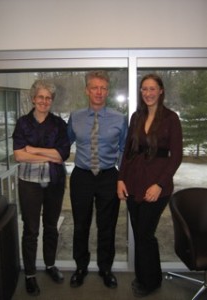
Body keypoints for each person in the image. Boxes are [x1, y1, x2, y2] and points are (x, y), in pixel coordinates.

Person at [117, 73, 183, 297]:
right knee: (140, 233)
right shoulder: (136, 116)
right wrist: (120, 179)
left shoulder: (171, 118)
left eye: (152, 88)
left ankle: (151, 281)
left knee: (145, 233)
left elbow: (176, 157)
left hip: (157, 186)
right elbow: (127, 152)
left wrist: (159, 185)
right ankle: (145, 276)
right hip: (134, 182)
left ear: (161, 90)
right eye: (144, 89)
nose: (148, 93)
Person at [67, 70, 127, 289]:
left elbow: (124, 149)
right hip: (82, 176)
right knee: (80, 225)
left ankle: (105, 268)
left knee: (107, 226)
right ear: (87, 90)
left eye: (103, 88)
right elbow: (65, 143)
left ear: (107, 91)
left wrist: (122, 177)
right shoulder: (75, 117)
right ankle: (80, 267)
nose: (99, 92)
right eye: (95, 87)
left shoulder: (120, 119)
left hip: (108, 176)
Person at [12, 79, 70, 296]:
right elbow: (18, 155)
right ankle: (29, 274)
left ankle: (49, 264)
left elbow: (61, 154)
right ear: (33, 98)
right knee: (31, 229)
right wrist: (48, 153)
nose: (44, 101)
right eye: (40, 97)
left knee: (51, 226)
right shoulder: (22, 123)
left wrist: (32, 150)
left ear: (51, 100)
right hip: (29, 184)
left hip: (54, 181)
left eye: (48, 97)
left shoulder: (59, 124)